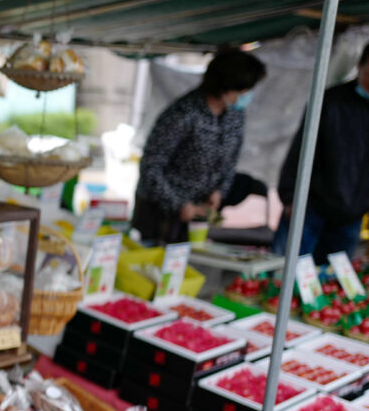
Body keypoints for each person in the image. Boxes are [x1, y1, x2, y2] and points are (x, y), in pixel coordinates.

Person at [132, 49, 267, 244]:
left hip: (199, 214)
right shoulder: (183, 114)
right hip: (160, 215)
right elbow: (151, 166)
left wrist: (219, 191)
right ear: (226, 86)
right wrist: (178, 204)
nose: (248, 94)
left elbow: (231, 160)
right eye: (244, 89)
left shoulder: (235, 115)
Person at [272, 42, 369, 263]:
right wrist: (290, 195)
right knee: (284, 271)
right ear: (360, 65)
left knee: (331, 281)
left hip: (352, 215)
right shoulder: (331, 101)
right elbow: (301, 149)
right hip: (311, 206)